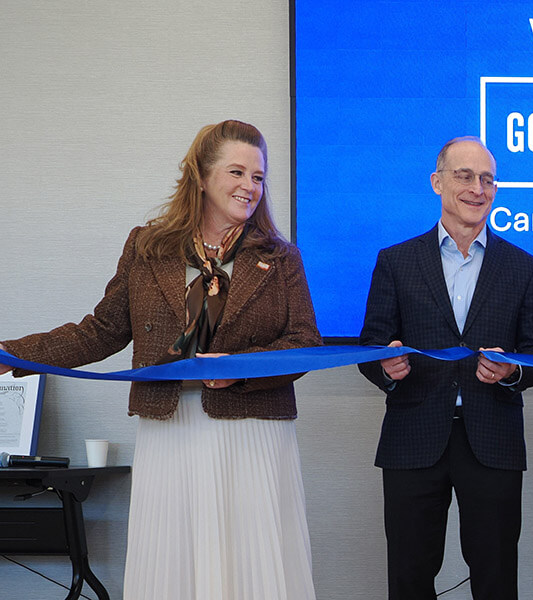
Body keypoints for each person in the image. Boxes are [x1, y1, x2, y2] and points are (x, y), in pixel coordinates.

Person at [0, 120, 322, 599]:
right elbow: (102, 331)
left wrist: (236, 368)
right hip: (170, 430)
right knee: (174, 564)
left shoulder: (280, 257)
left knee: (252, 563)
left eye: (258, 177)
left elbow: (304, 343)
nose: (250, 186)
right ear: (201, 175)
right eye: (237, 172)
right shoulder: (147, 246)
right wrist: (11, 354)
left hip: (254, 432)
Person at [357, 136, 533, 600]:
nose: (477, 188)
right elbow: (370, 347)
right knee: (409, 574)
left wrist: (513, 373)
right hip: (413, 437)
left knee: (496, 575)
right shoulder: (396, 261)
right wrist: (386, 366)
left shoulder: (523, 267)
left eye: (487, 178)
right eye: (464, 176)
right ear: (437, 182)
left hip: (493, 440)